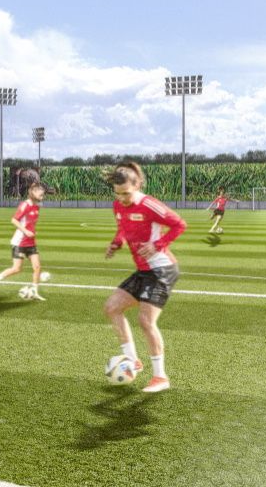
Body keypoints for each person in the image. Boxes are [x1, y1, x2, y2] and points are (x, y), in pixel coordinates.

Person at [102, 162, 187, 393]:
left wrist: (157, 244)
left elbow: (179, 225)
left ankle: (160, 377)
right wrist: (116, 243)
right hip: (143, 270)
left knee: (146, 321)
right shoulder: (118, 205)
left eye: (126, 193)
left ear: (137, 185)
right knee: (112, 308)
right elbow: (123, 228)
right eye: (118, 194)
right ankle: (133, 361)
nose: (122, 199)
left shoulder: (149, 204)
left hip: (162, 269)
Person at [0, 182, 49, 300]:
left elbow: (30, 223)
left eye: (43, 195)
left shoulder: (37, 207)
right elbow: (14, 220)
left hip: (31, 242)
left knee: (37, 267)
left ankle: (35, 291)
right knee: (16, 269)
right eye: (41, 194)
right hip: (19, 242)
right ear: (33, 192)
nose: (43, 196)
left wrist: (32, 232)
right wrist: (26, 231)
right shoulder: (25, 205)